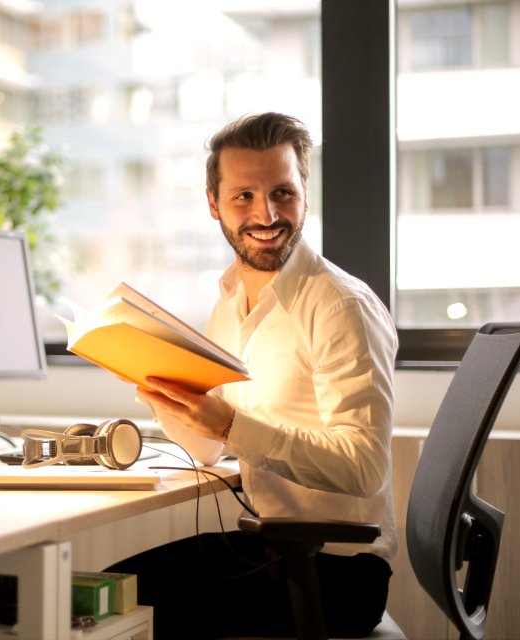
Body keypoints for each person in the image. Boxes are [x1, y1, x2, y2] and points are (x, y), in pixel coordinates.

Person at [106, 112, 398, 638]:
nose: (266, 213)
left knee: (111, 609)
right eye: (244, 196)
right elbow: (208, 451)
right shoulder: (231, 301)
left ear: (304, 193)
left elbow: (363, 467)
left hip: (336, 572)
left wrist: (229, 425)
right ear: (214, 205)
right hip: (271, 548)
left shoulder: (340, 306)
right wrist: (162, 393)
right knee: (104, 591)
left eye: (282, 192)